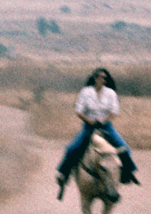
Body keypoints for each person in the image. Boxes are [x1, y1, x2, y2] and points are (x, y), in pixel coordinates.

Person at [56, 67, 139, 198]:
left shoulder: (111, 93)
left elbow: (114, 112)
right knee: (71, 148)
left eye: (105, 78)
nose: (103, 79)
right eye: (100, 77)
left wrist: (102, 120)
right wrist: (90, 120)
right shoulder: (85, 92)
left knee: (125, 148)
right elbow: (78, 111)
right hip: (88, 126)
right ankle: (63, 175)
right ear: (95, 78)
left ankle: (127, 174)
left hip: (106, 126)